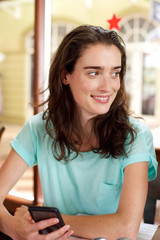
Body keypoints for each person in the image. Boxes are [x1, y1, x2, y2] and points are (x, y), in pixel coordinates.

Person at [0, 25, 158, 240]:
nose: (108, 86)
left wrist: (42, 221)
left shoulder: (135, 135)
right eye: (94, 73)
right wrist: (13, 227)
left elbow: (125, 228)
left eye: (115, 73)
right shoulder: (38, 128)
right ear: (65, 75)